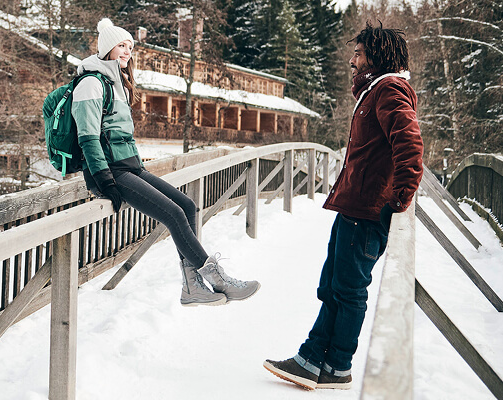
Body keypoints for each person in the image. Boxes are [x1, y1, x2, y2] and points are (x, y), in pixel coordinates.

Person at [263, 21, 424, 390]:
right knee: (334, 285)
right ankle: (313, 359)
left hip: (367, 212)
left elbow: (410, 145)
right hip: (353, 209)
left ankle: (336, 366)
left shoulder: (389, 91)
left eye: (359, 53)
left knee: (349, 290)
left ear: (376, 57)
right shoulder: (374, 91)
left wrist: (399, 197)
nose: (352, 59)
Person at [71, 18, 260, 307]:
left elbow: (119, 134)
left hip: (130, 166)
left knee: (187, 206)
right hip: (111, 173)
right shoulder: (90, 84)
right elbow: (88, 138)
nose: (127, 51)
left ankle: (191, 286)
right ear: (108, 47)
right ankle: (218, 278)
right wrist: (105, 180)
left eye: (130, 46)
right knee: (172, 214)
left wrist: (136, 167)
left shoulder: (117, 82)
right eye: (122, 45)